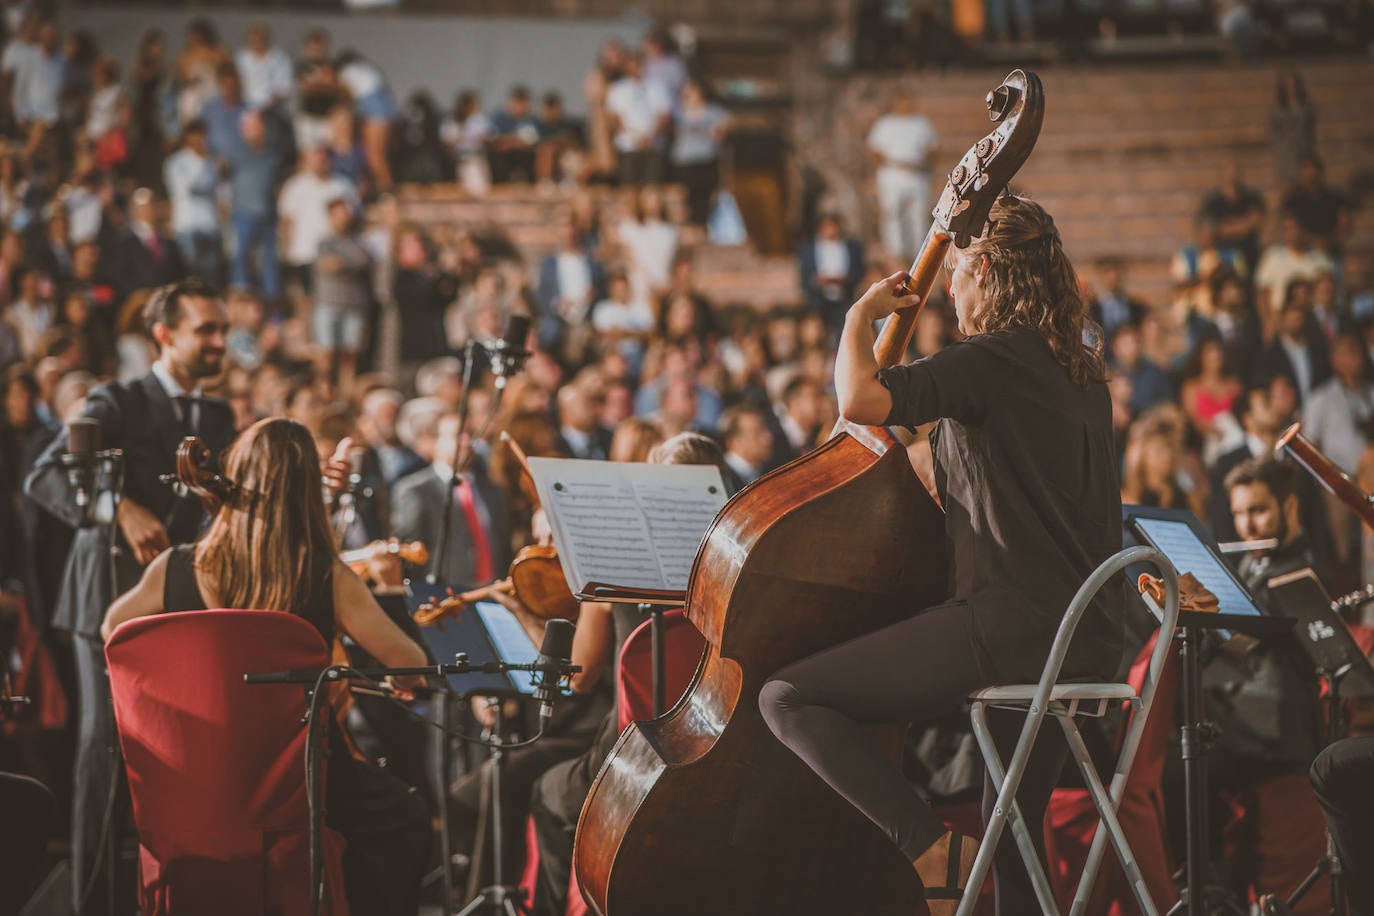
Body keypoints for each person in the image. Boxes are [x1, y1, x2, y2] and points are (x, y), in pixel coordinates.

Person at [759, 195, 1121, 915]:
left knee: (788, 698)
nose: (947, 288)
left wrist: (861, 315)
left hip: (1013, 630)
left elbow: (858, 398)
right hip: (1087, 641)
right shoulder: (1080, 372)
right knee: (1012, 836)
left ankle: (928, 846)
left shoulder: (987, 362)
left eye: (955, 272)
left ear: (984, 270)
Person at [99, 416, 431, 916]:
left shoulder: (174, 567)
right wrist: (382, 593)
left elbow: (114, 634)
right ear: (305, 492)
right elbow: (411, 666)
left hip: (195, 783)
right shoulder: (325, 576)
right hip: (296, 785)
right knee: (403, 818)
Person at [24, 279, 237, 913]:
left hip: (182, 606)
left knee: (177, 758)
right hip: (107, 602)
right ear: (164, 334)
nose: (219, 342)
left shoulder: (220, 416)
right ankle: (91, 903)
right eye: (206, 330)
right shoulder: (115, 399)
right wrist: (119, 508)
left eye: (222, 329)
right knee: (103, 749)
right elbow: (45, 477)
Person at [866, 90, 938, 261]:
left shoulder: (921, 123)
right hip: (893, 174)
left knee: (918, 215)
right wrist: (896, 163)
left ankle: (919, 252)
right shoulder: (885, 124)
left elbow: (933, 148)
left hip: (916, 174)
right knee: (892, 215)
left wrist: (923, 163)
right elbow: (874, 151)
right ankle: (895, 252)